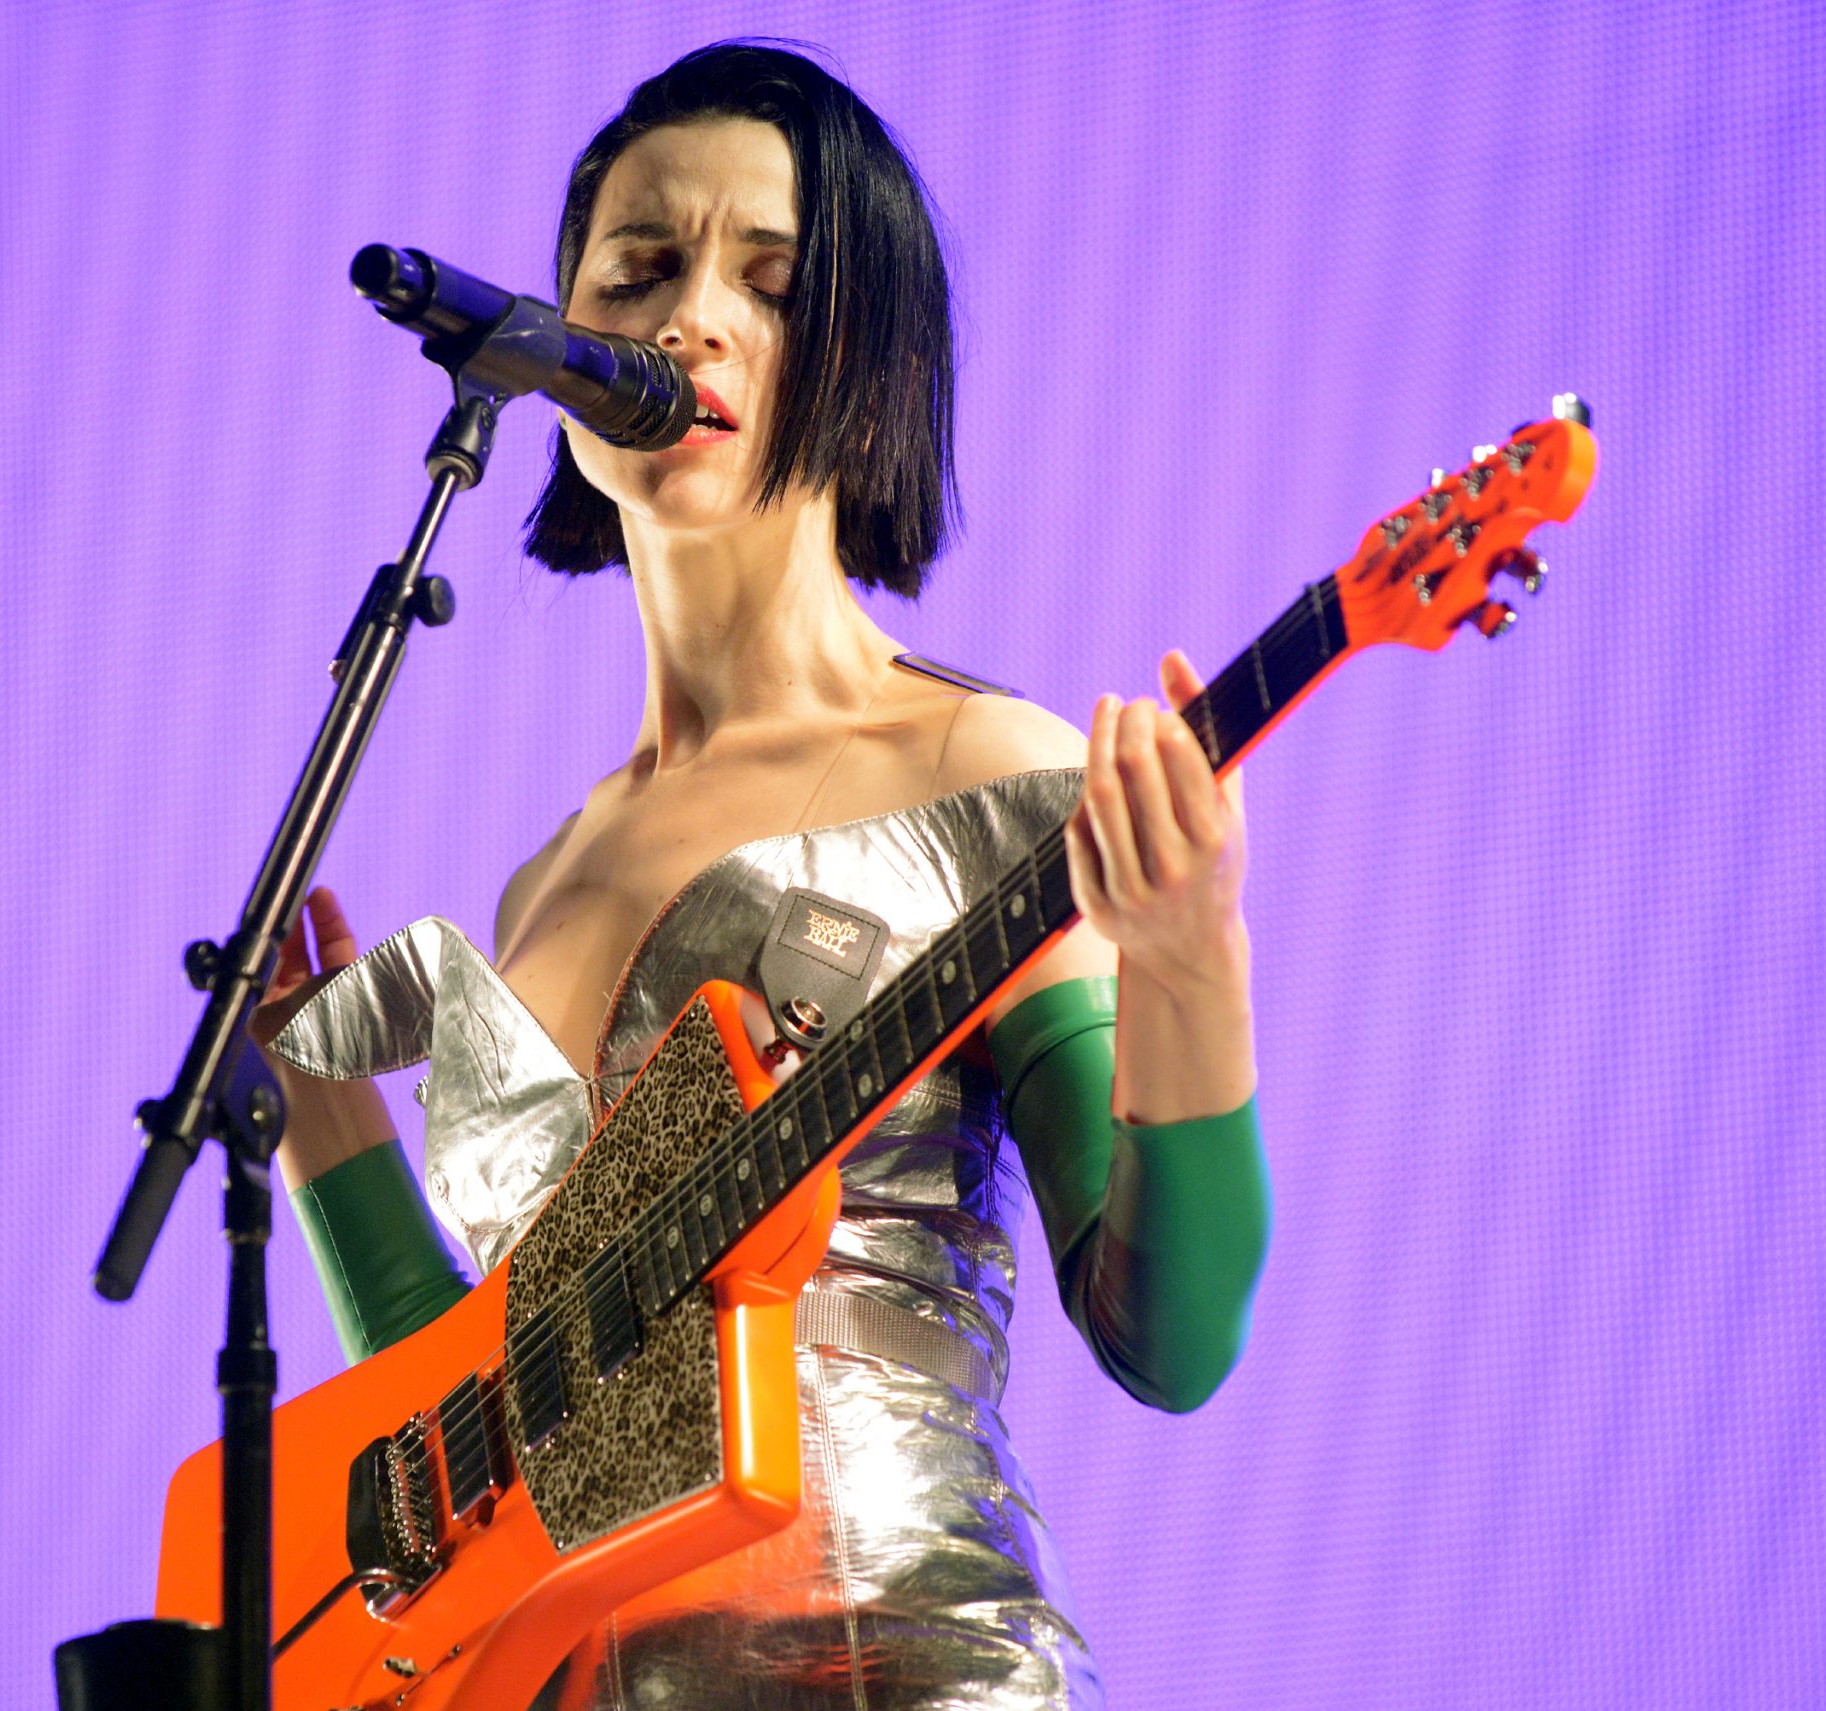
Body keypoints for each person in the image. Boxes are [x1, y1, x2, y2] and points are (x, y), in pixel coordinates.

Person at [252, 41, 1270, 1710]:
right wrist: (331, 1143)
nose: (688, 321)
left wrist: (1189, 962)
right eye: (638, 271)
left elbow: (1169, 1338)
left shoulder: (985, 773)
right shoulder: (543, 885)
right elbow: (496, 1469)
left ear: (866, 355)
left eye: (769, 283)